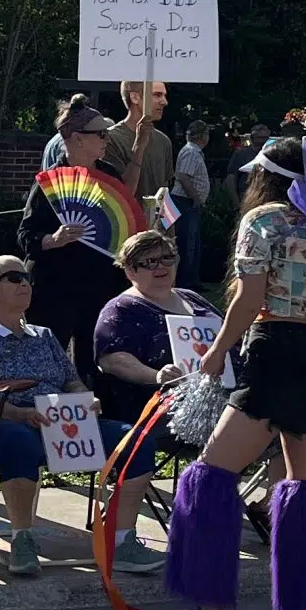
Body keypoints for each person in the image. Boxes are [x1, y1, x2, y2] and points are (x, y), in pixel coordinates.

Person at [163, 136, 306, 610]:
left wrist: (216, 352)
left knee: (209, 475)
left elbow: (249, 298)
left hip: (275, 348)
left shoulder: (262, 222)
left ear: (262, 176)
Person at [0, 255, 124, 578]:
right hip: (2, 420)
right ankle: (22, 539)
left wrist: (85, 400)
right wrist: (17, 413)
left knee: (132, 440)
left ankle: (124, 540)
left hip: (62, 423)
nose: (24, 283)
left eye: (26, 277)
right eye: (13, 278)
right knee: (18, 441)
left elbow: (70, 380)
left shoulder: (44, 336)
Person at [89, 228, 223, 572]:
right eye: (149, 262)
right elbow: (111, 358)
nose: (161, 266)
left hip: (217, 397)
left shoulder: (194, 300)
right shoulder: (121, 309)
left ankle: (264, 511)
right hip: (154, 407)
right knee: (232, 430)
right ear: (130, 270)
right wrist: (155, 375)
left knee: (278, 418)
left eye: (167, 258)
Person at [21, 97, 130, 369]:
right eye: (101, 134)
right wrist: (53, 240)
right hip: (55, 288)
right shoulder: (50, 180)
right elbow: (26, 235)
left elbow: (122, 224)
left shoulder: (110, 174)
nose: (107, 139)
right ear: (78, 139)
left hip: (100, 285)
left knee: (94, 362)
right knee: (48, 362)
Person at [172, 119, 213, 285]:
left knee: (193, 244)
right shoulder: (190, 152)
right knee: (186, 243)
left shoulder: (194, 152)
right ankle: (185, 282)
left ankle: (192, 281)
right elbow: (183, 176)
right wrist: (195, 197)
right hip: (184, 202)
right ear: (202, 135)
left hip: (187, 202)